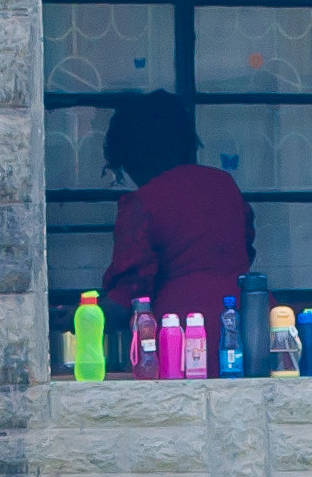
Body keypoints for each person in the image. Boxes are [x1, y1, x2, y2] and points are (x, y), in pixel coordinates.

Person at [93, 90, 251, 367]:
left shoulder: (142, 203)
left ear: (130, 154)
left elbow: (132, 291)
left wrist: (81, 316)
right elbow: (246, 249)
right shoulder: (225, 185)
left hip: (181, 340)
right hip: (247, 326)